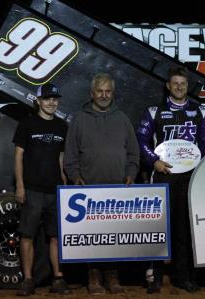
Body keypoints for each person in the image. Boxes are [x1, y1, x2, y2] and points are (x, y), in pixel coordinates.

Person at [136, 66, 205, 293]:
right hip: (162, 175)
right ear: (168, 86)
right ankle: (154, 277)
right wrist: (154, 162)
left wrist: (203, 168)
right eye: (175, 83)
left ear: (187, 86)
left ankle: (183, 276)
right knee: (158, 226)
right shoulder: (154, 111)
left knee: (184, 228)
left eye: (183, 83)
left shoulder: (200, 111)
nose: (179, 87)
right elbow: (141, 142)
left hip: (190, 178)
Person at [63, 73, 140, 294]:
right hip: (88, 190)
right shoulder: (79, 118)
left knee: (113, 234)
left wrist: (131, 173)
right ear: (92, 93)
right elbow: (70, 154)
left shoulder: (122, 118)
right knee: (93, 236)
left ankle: (112, 275)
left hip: (117, 188)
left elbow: (133, 153)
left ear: (112, 93)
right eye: (100, 91)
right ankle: (94, 275)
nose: (104, 95)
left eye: (108, 91)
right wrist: (74, 176)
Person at [14, 83, 71, 296]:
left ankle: (58, 278)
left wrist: (64, 182)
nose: (51, 102)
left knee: (55, 236)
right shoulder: (27, 124)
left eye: (55, 98)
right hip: (32, 190)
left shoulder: (61, 126)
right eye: (47, 99)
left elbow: (61, 158)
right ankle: (28, 280)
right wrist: (20, 186)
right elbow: (18, 156)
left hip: (54, 190)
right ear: (38, 101)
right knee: (27, 235)